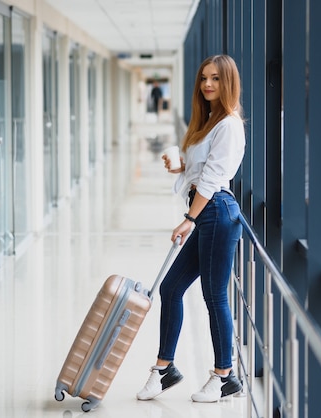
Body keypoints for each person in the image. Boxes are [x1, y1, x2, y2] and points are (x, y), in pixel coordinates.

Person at [136, 55, 245, 403]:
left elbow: (214, 178)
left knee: (214, 296)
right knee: (171, 287)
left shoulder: (229, 123)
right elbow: (202, 170)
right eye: (203, 79)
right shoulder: (210, 120)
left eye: (215, 78)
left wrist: (190, 219)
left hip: (216, 212)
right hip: (206, 212)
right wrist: (182, 165)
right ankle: (165, 369)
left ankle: (224, 376)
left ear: (228, 82)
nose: (208, 84)